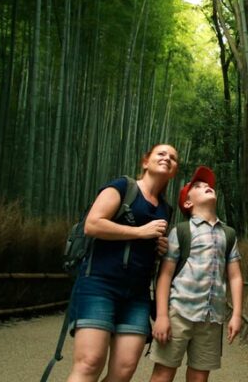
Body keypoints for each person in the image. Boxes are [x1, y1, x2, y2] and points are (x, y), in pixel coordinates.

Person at [67, 144, 178, 382]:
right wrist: (140, 232)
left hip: (137, 294)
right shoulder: (122, 187)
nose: (167, 158)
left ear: (174, 171)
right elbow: (93, 224)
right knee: (89, 363)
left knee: (124, 370)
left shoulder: (166, 209)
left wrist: (159, 248)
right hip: (99, 284)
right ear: (145, 162)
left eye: (173, 158)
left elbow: (146, 245)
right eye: (161, 154)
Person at [149, 166, 244, 382]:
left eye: (208, 185)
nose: (206, 187)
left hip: (212, 317)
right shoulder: (181, 231)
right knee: (163, 373)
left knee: (200, 376)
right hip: (179, 312)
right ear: (188, 203)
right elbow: (165, 275)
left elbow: (235, 276)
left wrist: (237, 314)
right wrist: (162, 315)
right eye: (198, 187)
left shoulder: (228, 234)